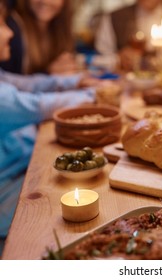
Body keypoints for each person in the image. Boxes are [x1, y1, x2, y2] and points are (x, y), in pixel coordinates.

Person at [0, 0, 112, 240]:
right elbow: (34, 105)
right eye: (1, 24)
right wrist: (94, 94)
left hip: (18, 160)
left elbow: (27, 84)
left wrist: (72, 81)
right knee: (61, 221)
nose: (10, 31)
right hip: (6, 184)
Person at [2, 0, 78, 75]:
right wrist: (49, 75)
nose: (45, 1)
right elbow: (7, 80)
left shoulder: (61, 31)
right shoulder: (12, 29)